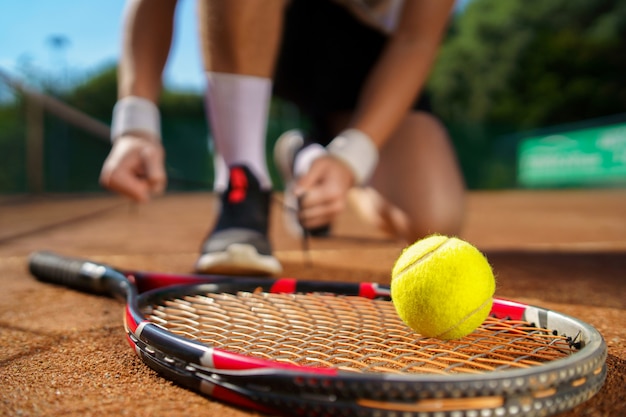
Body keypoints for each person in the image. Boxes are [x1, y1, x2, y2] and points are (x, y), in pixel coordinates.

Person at [100, 0, 465, 276]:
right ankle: (241, 187)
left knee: (433, 217)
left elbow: (417, 37)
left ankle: (306, 158)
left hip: (378, 60)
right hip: (272, 30)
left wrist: (351, 157)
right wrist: (136, 123)